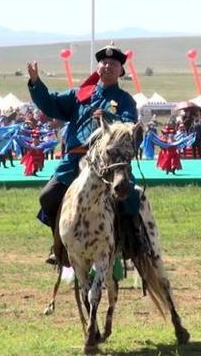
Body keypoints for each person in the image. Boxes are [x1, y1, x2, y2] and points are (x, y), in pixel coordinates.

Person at [27, 43, 140, 265]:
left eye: (113, 64)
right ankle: (60, 245)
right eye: (104, 62)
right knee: (48, 196)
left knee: (131, 197)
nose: (108, 66)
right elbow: (50, 104)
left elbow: (129, 124)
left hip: (109, 163)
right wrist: (35, 83)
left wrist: (108, 116)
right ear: (98, 67)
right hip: (74, 160)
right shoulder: (80, 95)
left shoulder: (125, 100)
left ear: (121, 71)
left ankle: (131, 242)